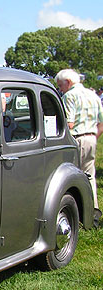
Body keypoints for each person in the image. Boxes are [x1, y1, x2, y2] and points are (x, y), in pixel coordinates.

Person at [55, 69, 103, 226]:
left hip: (77, 139)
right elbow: (101, 121)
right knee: (89, 175)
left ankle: (77, 213)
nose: (61, 89)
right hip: (91, 138)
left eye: (60, 86)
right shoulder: (93, 95)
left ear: (68, 82)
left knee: (73, 177)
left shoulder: (70, 96)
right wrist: (94, 137)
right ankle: (93, 212)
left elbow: (69, 123)